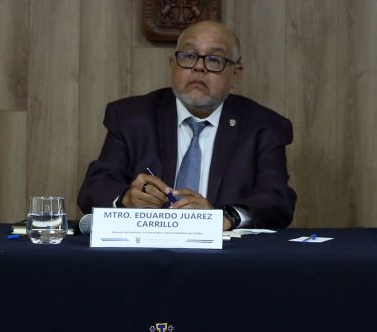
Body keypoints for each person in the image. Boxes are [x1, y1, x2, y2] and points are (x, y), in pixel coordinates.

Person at [77, 20, 296, 231]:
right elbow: (95, 188)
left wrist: (224, 217)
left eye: (214, 59)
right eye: (189, 56)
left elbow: (277, 200)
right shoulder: (131, 117)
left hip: (225, 259)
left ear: (235, 74)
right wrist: (126, 199)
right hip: (144, 252)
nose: (199, 67)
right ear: (172, 64)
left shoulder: (264, 127)